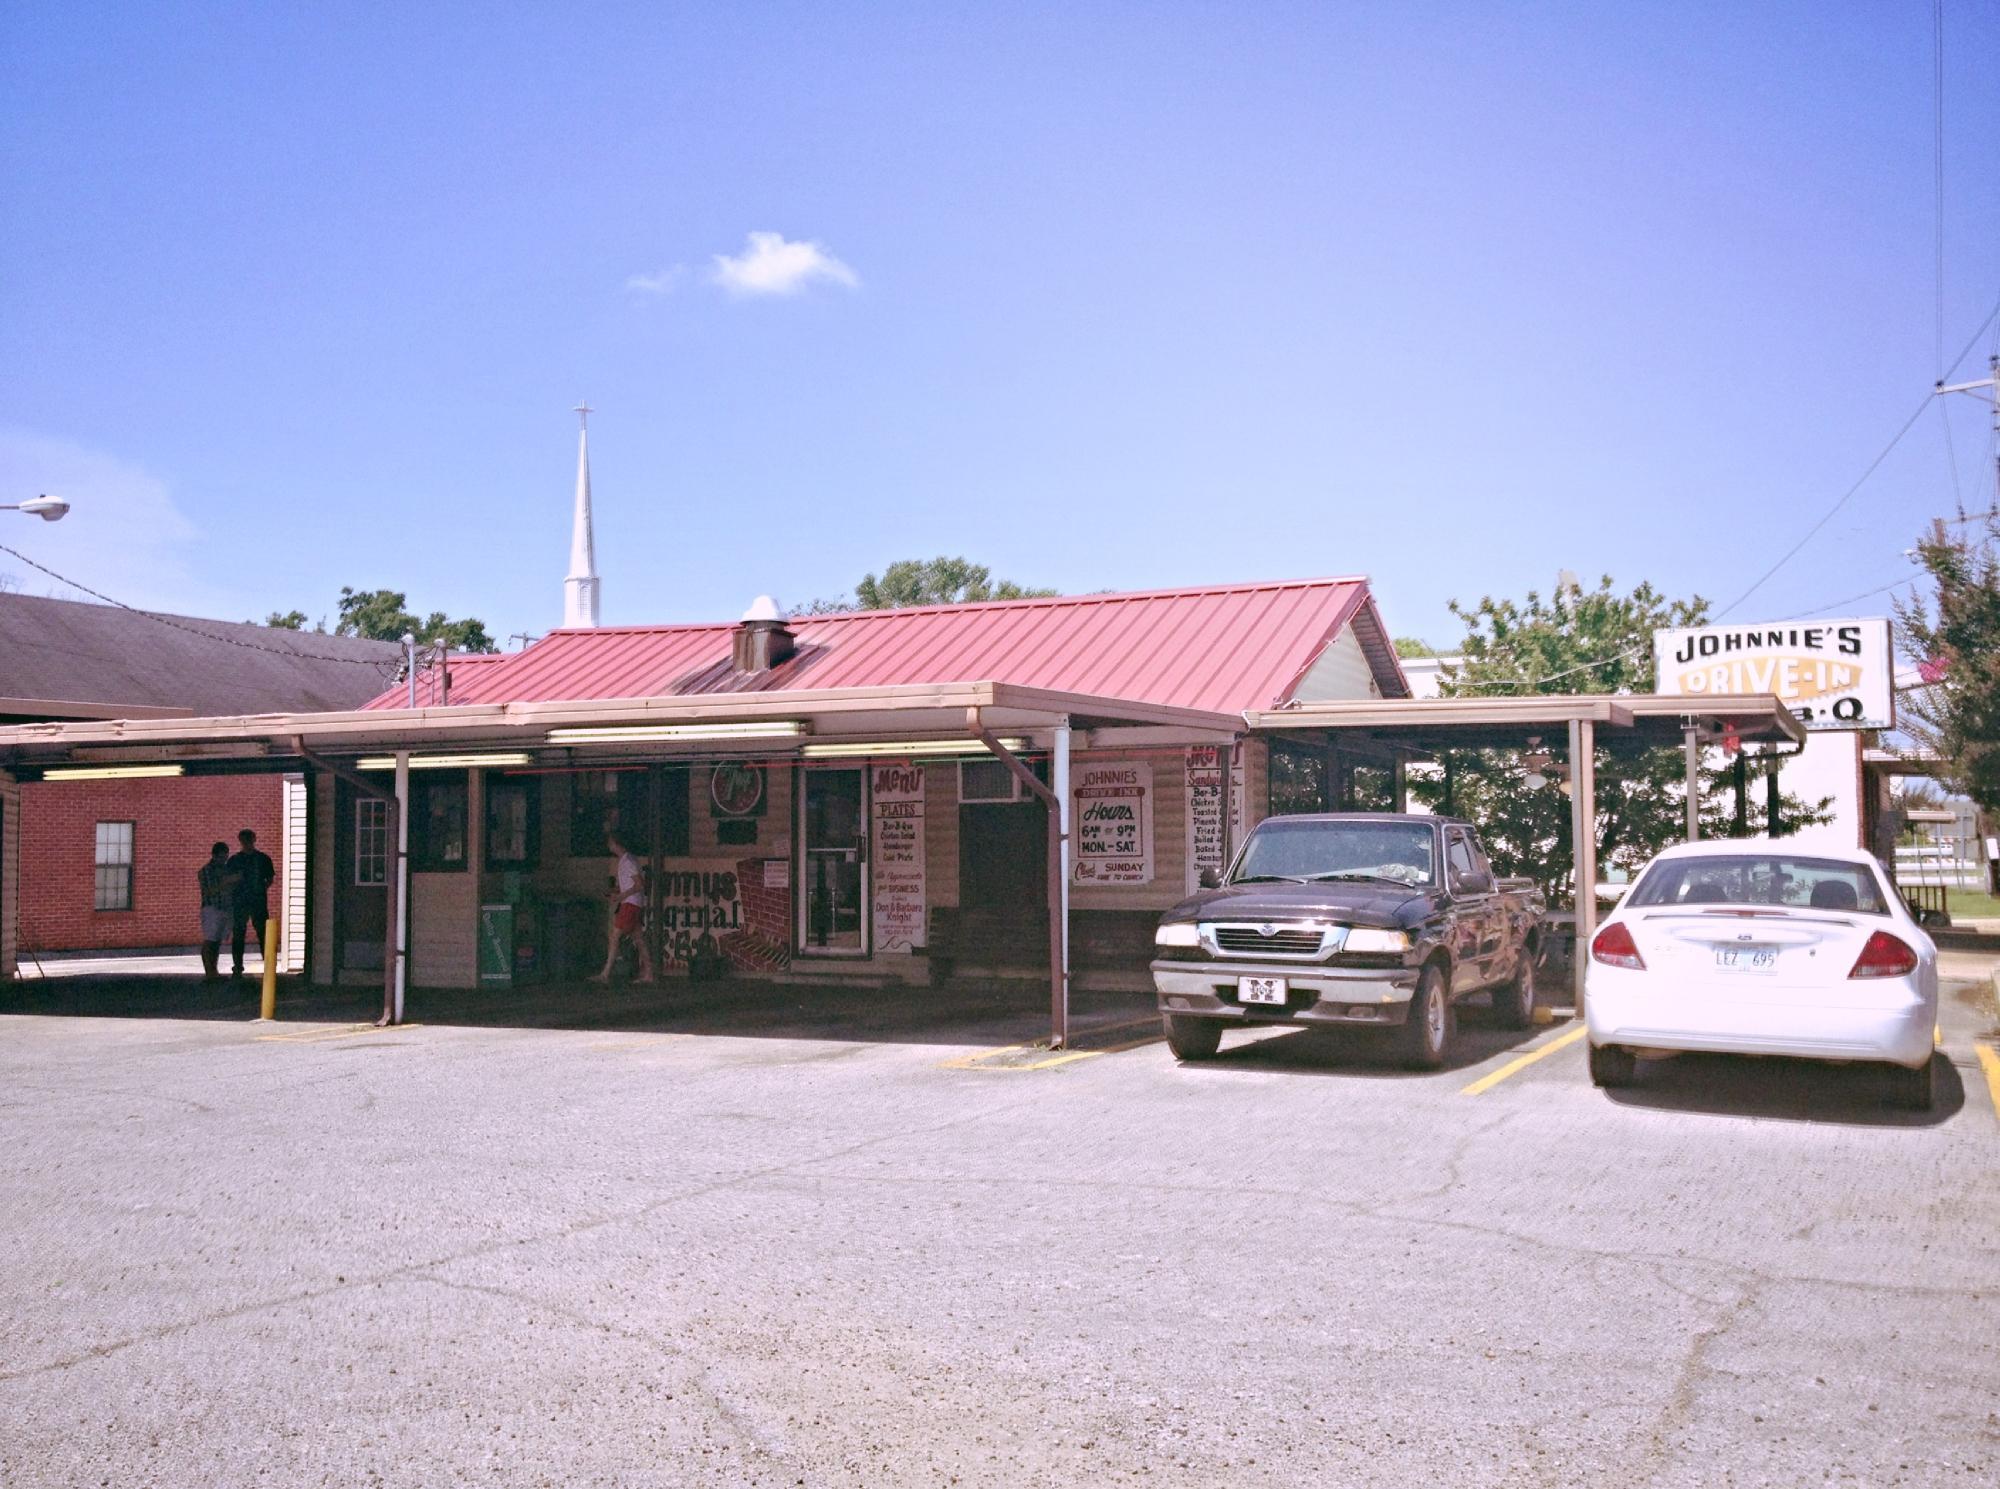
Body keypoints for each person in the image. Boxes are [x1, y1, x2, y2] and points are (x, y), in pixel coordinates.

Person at [591, 830, 653, 984]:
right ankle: (649, 974)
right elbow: (632, 885)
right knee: (639, 939)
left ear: (616, 843)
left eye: (611, 843)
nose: (609, 846)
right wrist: (614, 892)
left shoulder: (627, 862)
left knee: (615, 935)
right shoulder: (628, 860)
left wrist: (620, 896)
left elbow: (639, 885)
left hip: (630, 903)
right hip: (634, 902)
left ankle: (606, 973)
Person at [225, 828, 276, 978]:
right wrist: (261, 889)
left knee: (254, 933)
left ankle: (241, 966)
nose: (247, 843)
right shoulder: (261, 859)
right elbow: (269, 880)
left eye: (248, 840)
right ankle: (241, 966)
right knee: (247, 933)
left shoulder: (237, 860)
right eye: (245, 840)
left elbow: (269, 879)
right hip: (249, 900)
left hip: (249, 900)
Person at [197, 842, 232, 982]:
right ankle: (208, 971)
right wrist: (227, 881)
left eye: (226, 856)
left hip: (224, 907)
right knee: (210, 940)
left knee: (217, 941)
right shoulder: (206, 870)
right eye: (221, 856)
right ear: (214, 855)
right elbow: (209, 891)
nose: (224, 859)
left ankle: (214, 971)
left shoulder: (226, 869)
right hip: (212, 908)